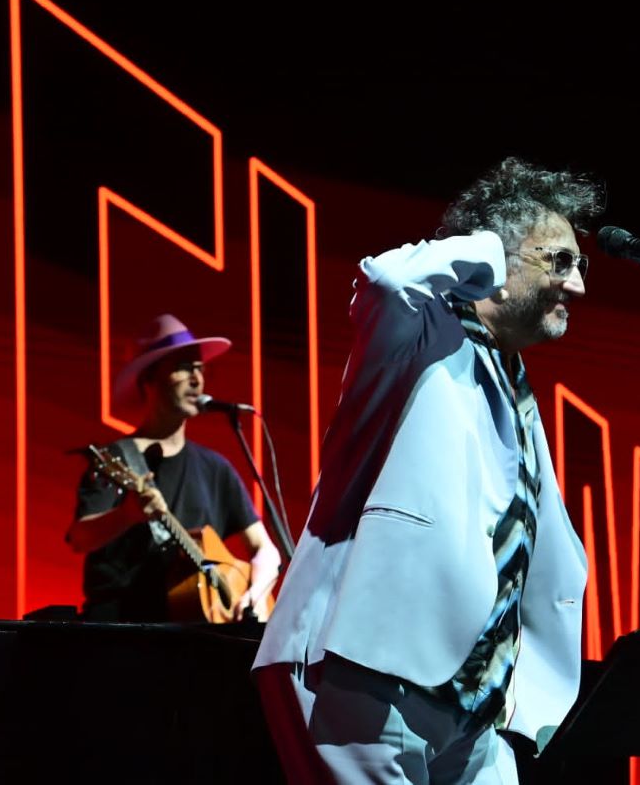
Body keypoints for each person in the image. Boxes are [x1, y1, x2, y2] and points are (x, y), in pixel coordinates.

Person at [253, 157, 602, 783]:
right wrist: (490, 246)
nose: (576, 286)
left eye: (579, 265)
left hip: (472, 699)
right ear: (497, 261)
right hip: (368, 664)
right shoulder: (416, 333)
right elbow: (390, 279)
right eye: (558, 261)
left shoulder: (513, 379)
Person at [66, 313, 280, 623]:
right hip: (124, 630)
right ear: (149, 378)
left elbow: (266, 551)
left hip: (200, 636)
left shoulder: (216, 468)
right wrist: (126, 515)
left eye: (200, 368)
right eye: (183, 367)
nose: (197, 379)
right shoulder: (116, 459)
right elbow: (79, 538)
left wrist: (255, 596)